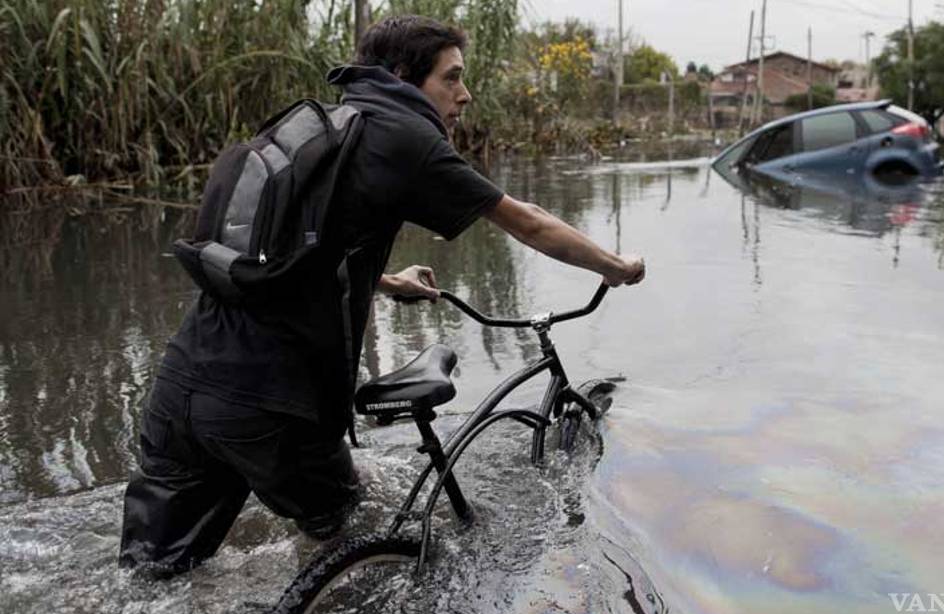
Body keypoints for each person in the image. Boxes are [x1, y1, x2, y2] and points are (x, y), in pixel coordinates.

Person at [118, 15, 645, 577]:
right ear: (402, 75)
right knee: (352, 543)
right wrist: (616, 267)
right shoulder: (406, 137)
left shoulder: (328, 126)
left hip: (184, 384)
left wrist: (388, 280)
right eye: (452, 78)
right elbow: (529, 222)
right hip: (272, 405)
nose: (464, 95)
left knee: (153, 576)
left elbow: (285, 256)